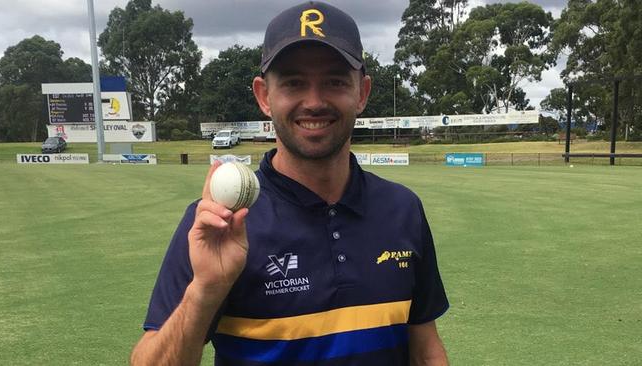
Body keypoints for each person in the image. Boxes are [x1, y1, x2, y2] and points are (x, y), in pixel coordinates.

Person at [130, 2, 449, 365]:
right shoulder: (219, 224)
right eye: (294, 83)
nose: (314, 102)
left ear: (362, 92)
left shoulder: (402, 209)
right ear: (264, 96)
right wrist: (206, 290)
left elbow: (425, 347)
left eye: (334, 81)